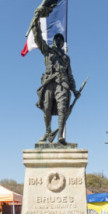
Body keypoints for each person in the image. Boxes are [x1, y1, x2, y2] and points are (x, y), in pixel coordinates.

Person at [32, 11, 80, 145]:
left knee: (62, 109)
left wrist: (74, 90)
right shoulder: (47, 51)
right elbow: (38, 39)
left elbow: (70, 75)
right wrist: (36, 23)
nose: (58, 40)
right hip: (49, 83)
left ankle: (60, 136)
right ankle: (48, 131)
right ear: (53, 41)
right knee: (46, 108)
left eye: (61, 39)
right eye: (56, 39)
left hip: (62, 84)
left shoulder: (66, 58)